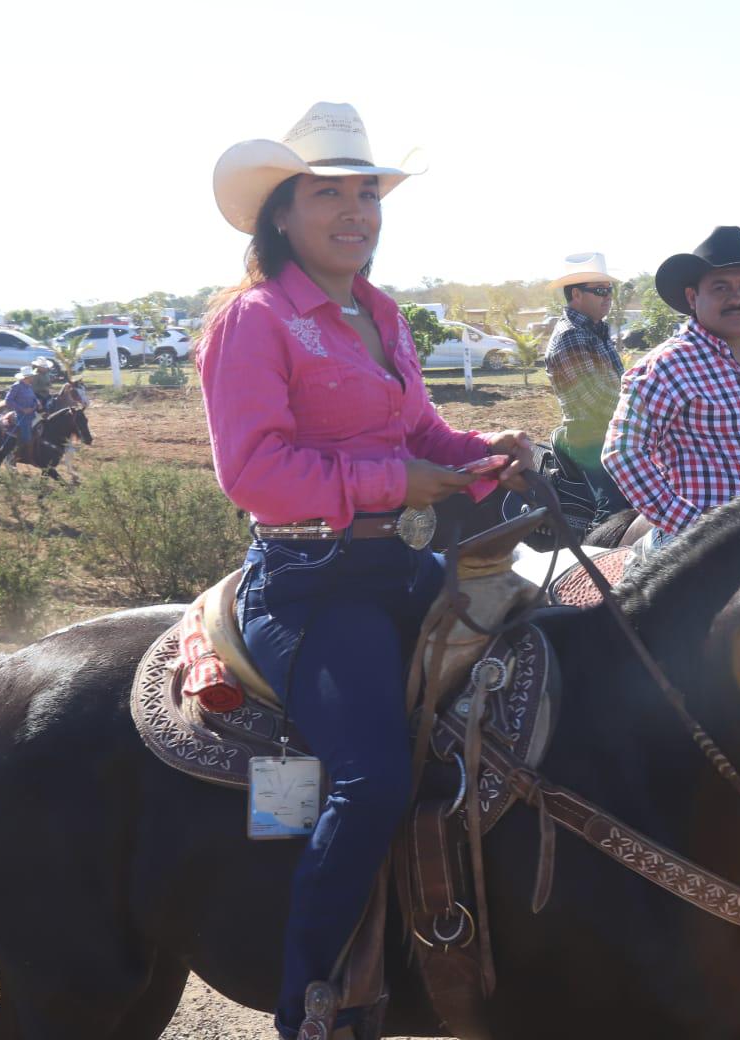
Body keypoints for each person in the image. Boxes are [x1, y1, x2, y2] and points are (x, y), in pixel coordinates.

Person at [201, 102, 533, 1040]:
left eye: (368, 193)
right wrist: (400, 478)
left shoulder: (377, 313)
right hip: (309, 584)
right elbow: (254, 473)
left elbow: (418, 433)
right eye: (329, 193)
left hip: (396, 563)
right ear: (281, 214)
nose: (357, 211)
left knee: (544, 669)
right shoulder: (256, 321)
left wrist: (482, 449)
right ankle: (313, 1000)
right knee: (373, 778)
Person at [603, 225, 740, 552]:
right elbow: (623, 453)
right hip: (708, 548)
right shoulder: (666, 366)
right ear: (693, 297)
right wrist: (695, 527)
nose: (737, 298)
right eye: (721, 288)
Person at [543, 252, 632, 525]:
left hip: (610, 429)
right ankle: (599, 556)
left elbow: (622, 386)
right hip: (588, 435)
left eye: (610, 290)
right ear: (576, 295)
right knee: (615, 509)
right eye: (600, 290)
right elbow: (596, 400)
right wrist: (644, 416)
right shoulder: (570, 336)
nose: (608, 296)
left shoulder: (596, 331)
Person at [0, 366, 40, 463]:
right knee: (26, 436)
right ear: (26, 377)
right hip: (21, 415)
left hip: (32, 413)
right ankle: (15, 456)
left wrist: (36, 404)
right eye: (31, 376)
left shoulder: (29, 386)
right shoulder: (16, 386)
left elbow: (34, 399)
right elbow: (8, 400)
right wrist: (22, 409)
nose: (33, 378)